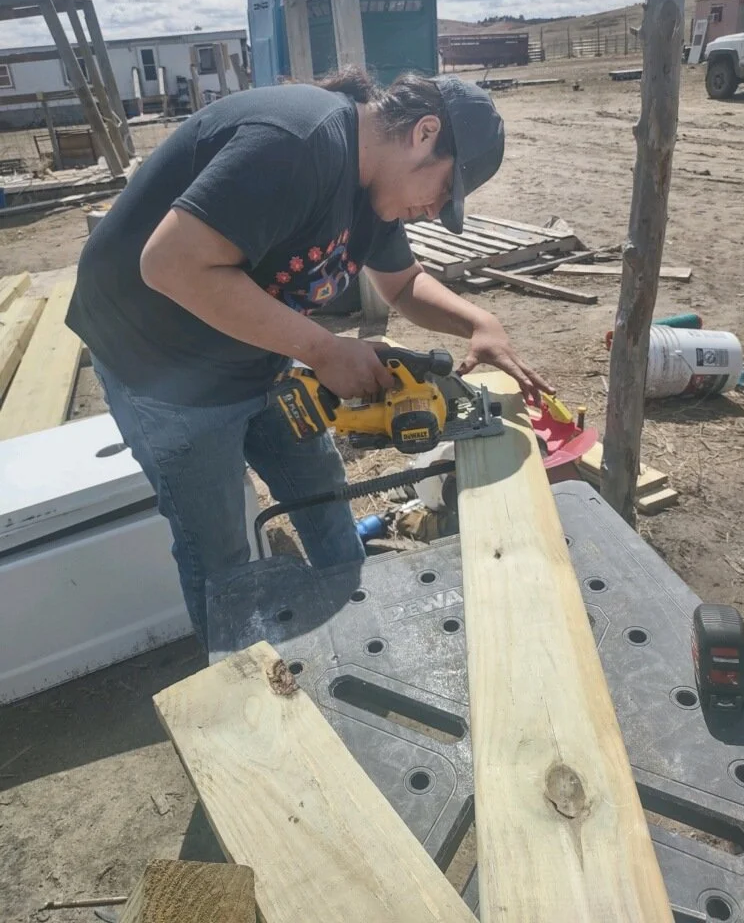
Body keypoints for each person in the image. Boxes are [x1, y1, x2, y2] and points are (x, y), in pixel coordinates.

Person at [66, 68, 553, 646]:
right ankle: (245, 684)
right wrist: (322, 348)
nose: (431, 211)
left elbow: (400, 285)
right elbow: (168, 263)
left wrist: (479, 322)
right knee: (219, 542)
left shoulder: (378, 195)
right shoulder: (296, 144)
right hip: (162, 364)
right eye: (443, 192)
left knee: (321, 488)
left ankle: (359, 627)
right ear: (424, 134)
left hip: (257, 350)